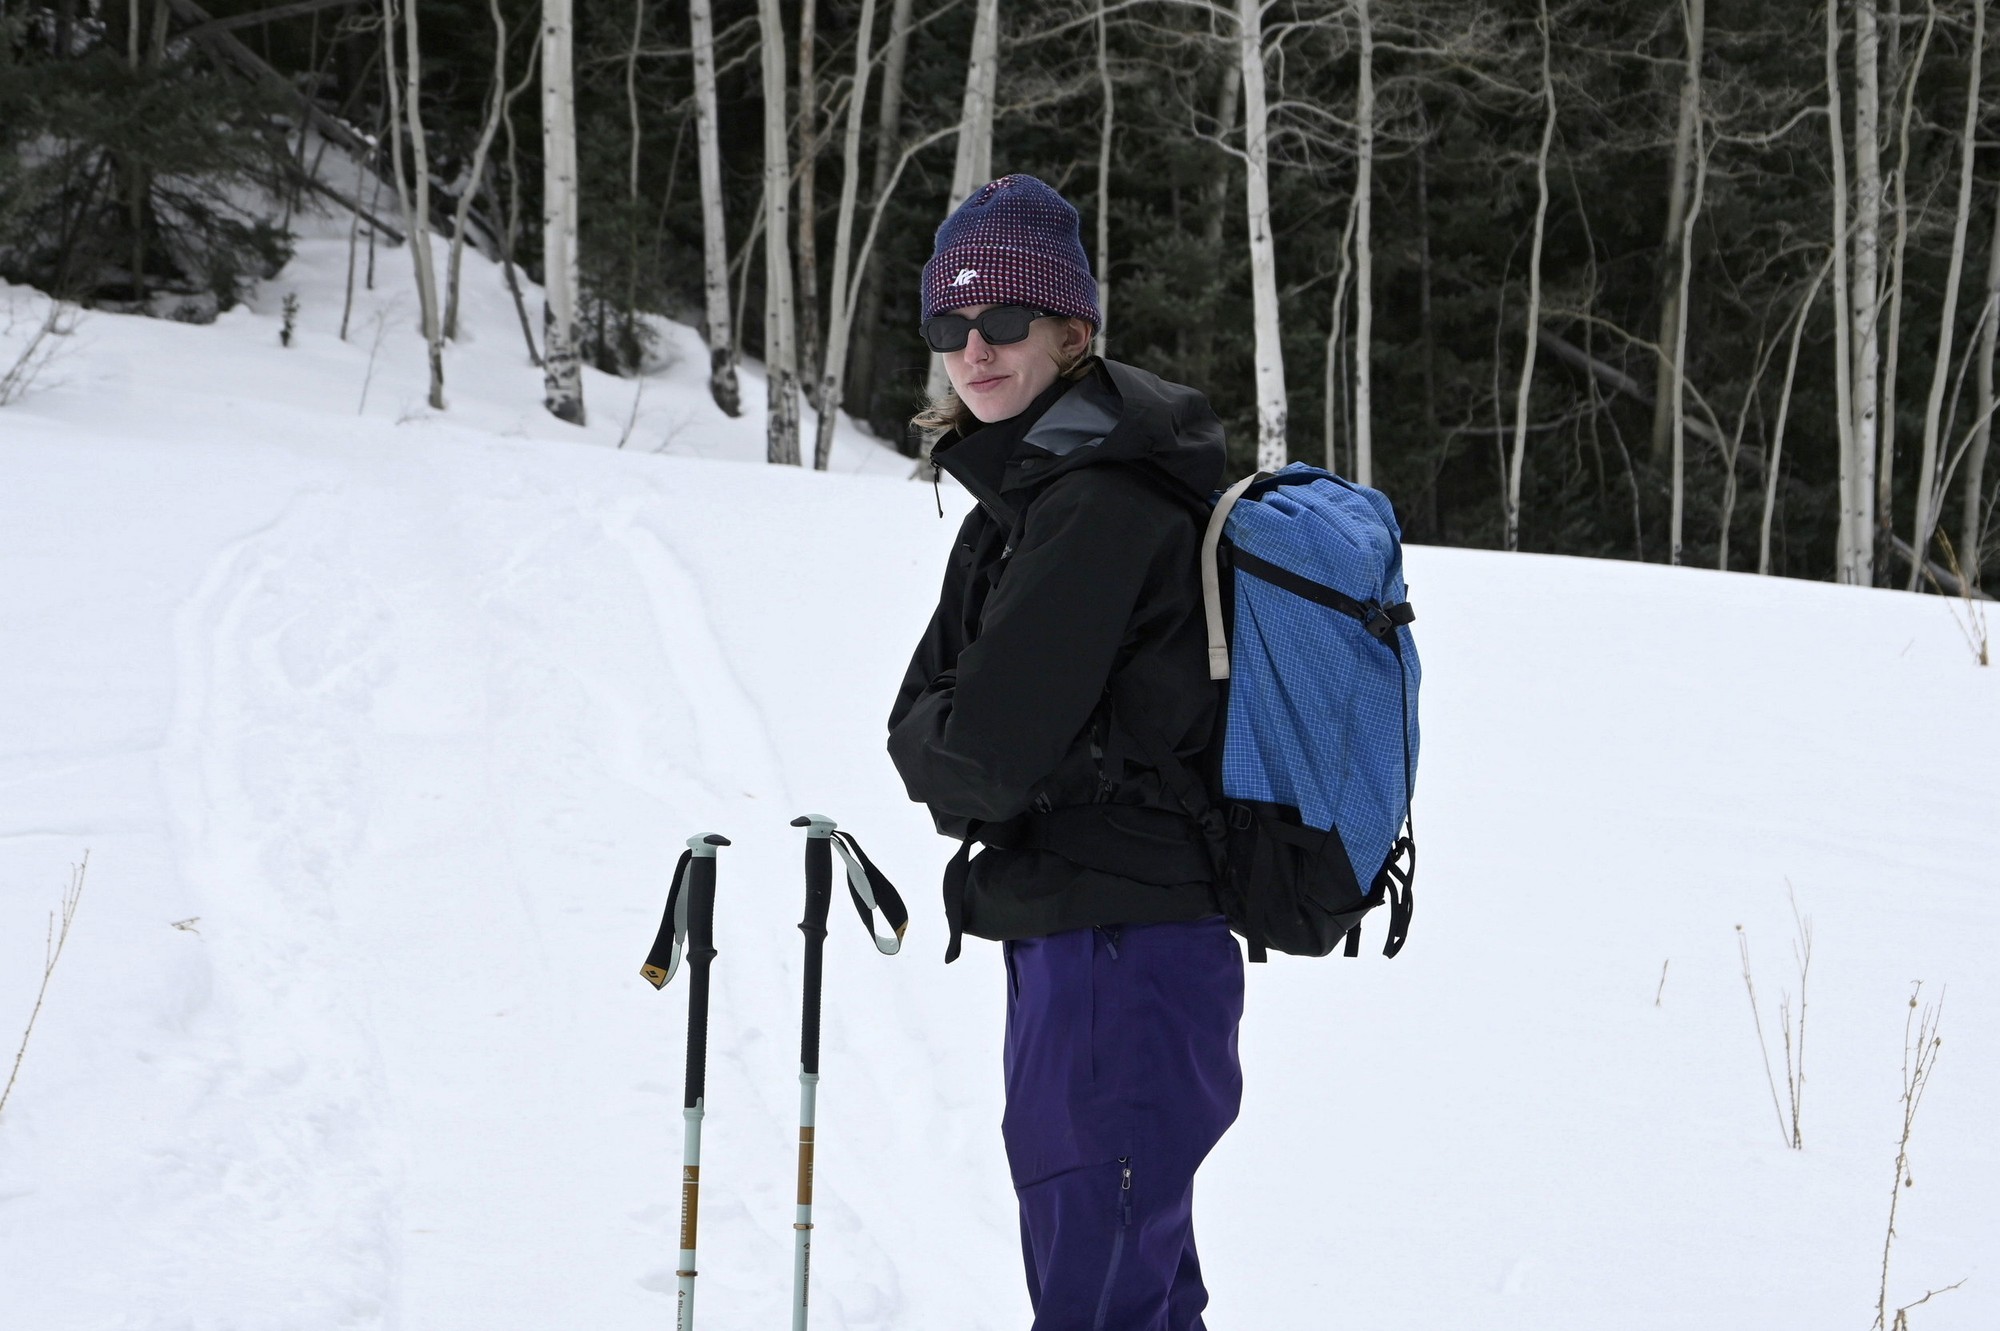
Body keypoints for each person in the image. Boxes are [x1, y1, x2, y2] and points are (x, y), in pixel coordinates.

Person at [886, 174, 1243, 1331]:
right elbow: (931, 719)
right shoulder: (1025, 498)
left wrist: (948, 736)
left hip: (1115, 943)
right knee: (1127, 1282)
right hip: (1091, 934)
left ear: (1069, 331)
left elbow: (969, 750)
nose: (973, 352)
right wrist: (946, 731)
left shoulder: (1095, 503)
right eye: (950, 326)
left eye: (1002, 323)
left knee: (1099, 1287)